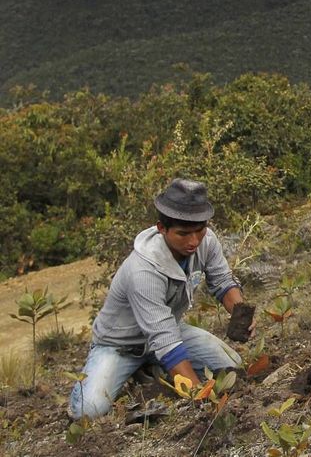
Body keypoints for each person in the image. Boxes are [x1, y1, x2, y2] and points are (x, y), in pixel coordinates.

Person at [69, 179, 252, 419]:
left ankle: (151, 369)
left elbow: (222, 282)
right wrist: (200, 395)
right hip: (122, 346)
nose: (193, 241)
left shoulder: (206, 242)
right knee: (89, 411)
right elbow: (164, 339)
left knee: (230, 364)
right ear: (162, 228)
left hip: (168, 331)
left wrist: (240, 313)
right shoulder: (143, 270)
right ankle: (134, 370)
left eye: (200, 230)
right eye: (183, 234)